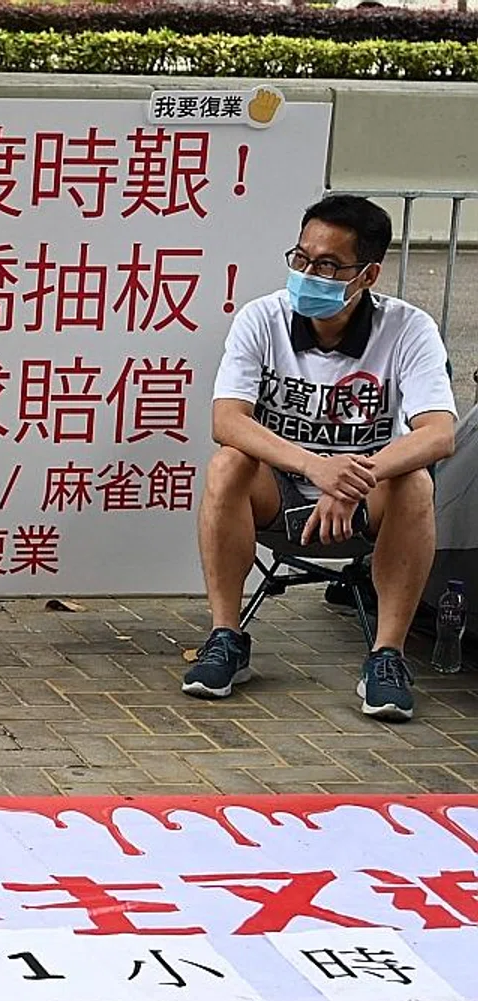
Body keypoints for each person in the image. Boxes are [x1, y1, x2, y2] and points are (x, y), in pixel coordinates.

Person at [185, 194, 457, 721]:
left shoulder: (409, 328)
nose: (309, 273)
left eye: (328, 264)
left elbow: (439, 433)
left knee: (416, 481)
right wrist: (315, 466)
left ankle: (387, 656)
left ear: (368, 274)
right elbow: (228, 420)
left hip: (366, 497)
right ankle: (225, 637)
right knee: (227, 463)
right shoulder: (262, 318)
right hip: (281, 491)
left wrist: (349, 478)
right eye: (302, 258)